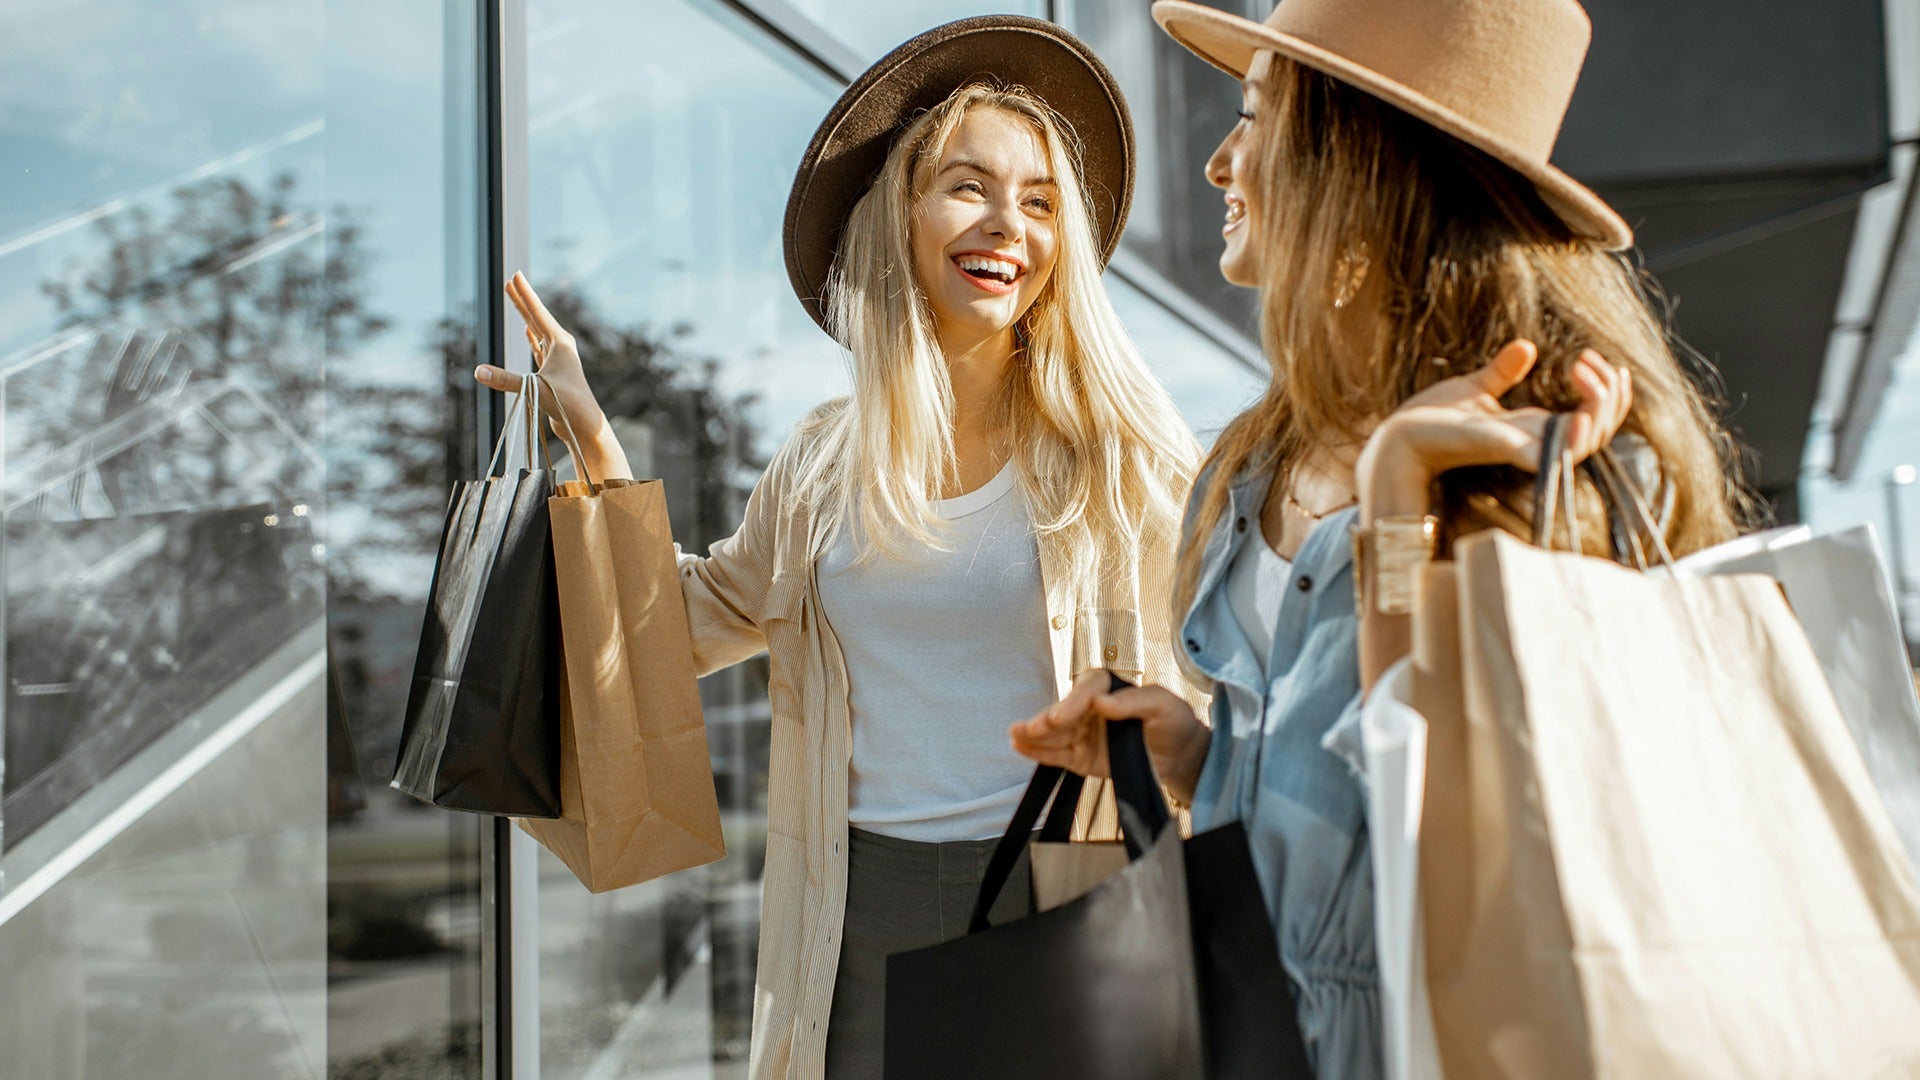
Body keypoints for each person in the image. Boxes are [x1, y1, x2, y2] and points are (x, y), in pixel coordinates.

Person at [1011, 1, 1752, 1075]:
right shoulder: (1262, 456)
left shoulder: (1554, 457)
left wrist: (1400, 496)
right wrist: (1194, 753)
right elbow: (1331, 799)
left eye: (1255, 116)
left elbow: (1452, 814)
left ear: (1359, 159)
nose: (1221, 163)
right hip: (1252, 1026)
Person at [477, 16, 1201, 1079]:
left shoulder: (1121, 456)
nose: (1008, 223)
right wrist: (595, 443)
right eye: (969, 185)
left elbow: (1222, 674)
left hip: (1069, 897)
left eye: (1040, 201)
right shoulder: (820, 463)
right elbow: (674, 632)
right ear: (900, 213)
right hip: (855, 913)